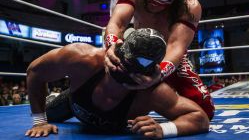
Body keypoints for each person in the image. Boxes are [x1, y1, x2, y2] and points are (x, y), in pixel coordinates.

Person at [25, 28, 209, 139]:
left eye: (131, 71)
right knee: (47, 112)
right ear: (115, 52)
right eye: (121, 63)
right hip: (73, 102)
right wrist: (40, 122)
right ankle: (56, 97)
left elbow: (199, 118)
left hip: (112, 121)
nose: (121, 70)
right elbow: (35, 71)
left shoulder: (152, 92)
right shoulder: (83, 58)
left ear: (147, 76)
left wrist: (164, 129)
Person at [104, 0, 215, 120]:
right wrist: (111, 44)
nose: (154, 6)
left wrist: (160, 73)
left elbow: (176, 47)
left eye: (161, 3)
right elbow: (117, 23)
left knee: (206, 110)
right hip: (136, 51)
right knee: (105, 89)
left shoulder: (190, 5)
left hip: (169, 55)